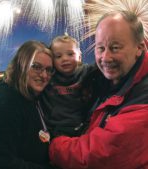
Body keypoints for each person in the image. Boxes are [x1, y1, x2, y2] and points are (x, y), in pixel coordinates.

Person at [48, 10, 148, 169]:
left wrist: (52, 146)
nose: (106, 58)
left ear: (140, 47)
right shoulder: (107, 80)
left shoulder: (143, 99)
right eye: (100, 48)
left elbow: (98, 155)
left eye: (115, 48)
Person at [0, 40, 56, 169]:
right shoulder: (0, 102)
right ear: (21, 65)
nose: (44, 75)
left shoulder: (30, 96)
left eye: (49, 70)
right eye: (36, 66)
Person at [42, 34, 101, 137]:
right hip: (54, 129)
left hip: (81, 127)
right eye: (58, 56)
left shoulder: (86, 72)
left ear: (79, 56)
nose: (65, 59)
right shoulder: (48, 77)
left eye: (70, 54)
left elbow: (102, 65)